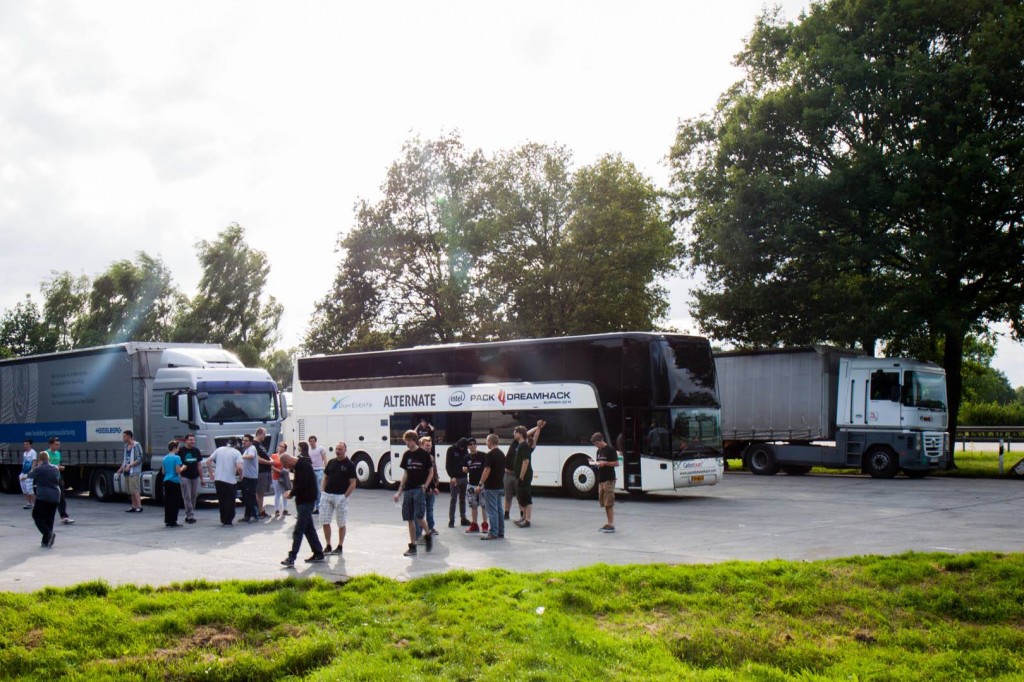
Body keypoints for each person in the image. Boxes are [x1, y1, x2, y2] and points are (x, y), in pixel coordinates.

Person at [280, 451, 325, 566]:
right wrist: (292, 492)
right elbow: (299, 484)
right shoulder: (299, 466)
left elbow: (302, 485)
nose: (287, 468)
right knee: (309, 529)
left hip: (306, 502)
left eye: (285, 465)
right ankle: (318, 553)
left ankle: (291, 557)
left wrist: (291, 493)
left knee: (298, 530)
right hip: (304, 501)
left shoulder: (302, 466)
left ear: (288, 460)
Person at [393, 430, 433, 556]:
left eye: (408, 441)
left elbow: (431, 472)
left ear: (414, 440)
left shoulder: (424, 455)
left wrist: (425, 486)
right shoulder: (406, 455)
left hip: (419, 489)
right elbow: (405, 474)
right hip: (408, 490)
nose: (407, 444)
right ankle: (412, 546)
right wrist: (399, 492)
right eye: (405, 441)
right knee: (409, 518)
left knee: (419, 517)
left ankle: (427, 534)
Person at [320, 441, 357, 555]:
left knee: (341, 523)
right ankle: (328, 545)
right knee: (325, 521)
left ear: (345, 450)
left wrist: (345, 496)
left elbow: (353, 483)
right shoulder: (331, 462)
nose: (338, 451)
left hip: (340, 496)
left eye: (340, 449)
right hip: (328, 495)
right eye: (336, 449)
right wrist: (323, 491)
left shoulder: (350, 465)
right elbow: (325, 477)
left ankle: (340, 545)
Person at [23, 451, 60, 548]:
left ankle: (48, 534)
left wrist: (23, 477)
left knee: (37, 516)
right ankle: (45, 541)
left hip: (44, 496)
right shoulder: (55, 468)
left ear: (40, 460)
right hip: (55, 496)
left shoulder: (39, 469)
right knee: (49, 518)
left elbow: (29, 475)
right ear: (48, 459)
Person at [513, 420, 545, 528]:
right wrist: (538, 427)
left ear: (520, 434)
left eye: (515, 432)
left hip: (524, 476)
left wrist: (521, 476)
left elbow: (525, 462)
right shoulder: (521, 445)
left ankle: (527, 520)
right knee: (522, 497)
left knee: (526, 498)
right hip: (520, 476)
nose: (513, 433)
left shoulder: (525, 446)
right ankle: (523, 518)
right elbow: (533, 436)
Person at [205, 438, 243, 526]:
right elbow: (240, 467)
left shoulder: (219, 449)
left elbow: (208, 461)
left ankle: (223, 518)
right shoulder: (236, 453)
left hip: (218, 479)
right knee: (230, 500)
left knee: (222, 500)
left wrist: (211, 473)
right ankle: (228, 520)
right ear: (237, 445)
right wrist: (241, 475)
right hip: (230, 480)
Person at [477, 434, 506, 540]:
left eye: (486, 441)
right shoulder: (502, 454)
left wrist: (480, 483)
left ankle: (493, 532)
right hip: (499, 486)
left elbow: (487, 470)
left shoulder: (489, 455)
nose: (486, 443)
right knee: (499, 509)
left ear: (490, 442)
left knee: (492, 510)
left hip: (491, 487)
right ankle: (500, 531)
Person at [591, 432, 619, 533]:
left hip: (609, 479)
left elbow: (616, 463)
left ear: (601, 441)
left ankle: (611, 524)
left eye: (597, 444)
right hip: (601, 479)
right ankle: (608, 523)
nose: (596, 446)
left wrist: (605, 463)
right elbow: (599, 462)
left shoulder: (610, 450)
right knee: (604, 502)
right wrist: (596, 464)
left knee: (609, 502)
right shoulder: (598, 451)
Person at [44, 437, 73, 524]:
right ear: (51, 444)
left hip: (58, 477)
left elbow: (58, 464)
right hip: (49, 479)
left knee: (61, 497)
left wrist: (59, 468)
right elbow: (44, 466)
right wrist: (57, 467)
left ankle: (64, 516)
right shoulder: (46, 454)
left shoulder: (58, 454)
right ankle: (45, 516)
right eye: (56, 444)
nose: (58, 446)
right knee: (48, 498)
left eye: (59, 444)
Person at [177, 433, 204, 524]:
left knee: (193, 496)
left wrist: (202, 478)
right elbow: (177, 464)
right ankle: (190, 515)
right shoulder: (181, 451)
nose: (192, 441)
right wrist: (180, 475)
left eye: (193, 440)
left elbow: (199, 465)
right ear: (186, 440)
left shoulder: (196, 451)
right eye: (190, 440)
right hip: (185, 476)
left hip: (195, 476)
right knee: (187, 496)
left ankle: (189, 513)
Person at [417, 436, 440, 539]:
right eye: (427, 445)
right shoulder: (418, 458)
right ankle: (420, 531)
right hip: (422, 488)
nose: (429, 447)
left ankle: (431, 527)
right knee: (421, 511)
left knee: (430, 509)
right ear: (421, 445)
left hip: (430, 488)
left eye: (430, 446)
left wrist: (435, 485)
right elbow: (422, 475)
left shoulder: (431, 457)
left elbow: (434, 472)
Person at [464, 438, 487, 533]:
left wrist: (481, 484)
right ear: (468, 447)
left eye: (474, 444)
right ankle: (474, 524)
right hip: (471, 484)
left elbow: (486, 470)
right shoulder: (466, 457)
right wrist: (465, 470)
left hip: (482, 484)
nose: (472, 445)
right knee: (473, 505)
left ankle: (485, 525)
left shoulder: (483, 455)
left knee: (484, 505)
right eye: (470, 444)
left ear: (476, 445)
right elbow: (466, 468)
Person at [446, 437, 471, 528]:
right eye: (461, 447)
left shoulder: (465, 451)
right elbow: (448, 465)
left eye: (463, 448)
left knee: (462, 499)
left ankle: (463, 518)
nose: (462, 449)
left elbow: (467, 463)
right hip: (455, 478)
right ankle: (451, 520)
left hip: (464, 477)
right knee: (453, 499)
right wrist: (452, 476)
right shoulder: (451, 449)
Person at [119, 430, 144, 513]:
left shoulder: (136, 445)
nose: (123, 438)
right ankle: (133, 506)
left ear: (129, 436)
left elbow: (140, 458)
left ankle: (139, 506)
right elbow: (125, 459)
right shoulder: (126, 446)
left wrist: (130, 466)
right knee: (130, 490)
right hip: (127, 471)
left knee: (135, 489)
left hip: (134, 471)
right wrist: (121, 469)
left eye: (124, 436)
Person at [162, 440, 185, 527]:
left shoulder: (165, 458)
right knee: (175, 501)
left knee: (168, 501)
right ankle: (173, 520)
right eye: (178, 447)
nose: (179, 449)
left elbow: (163, 471)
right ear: (174, 448)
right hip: (174, 481)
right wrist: (183, 467)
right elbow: (177, 471)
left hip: (166, 480)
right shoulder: (177, 458)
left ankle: (167, 520)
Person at [239, 434, 261, 523]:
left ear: (251, 442)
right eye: (243, 440)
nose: (244, 442)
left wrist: (240, 456)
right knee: (246, 497)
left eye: (246, 440)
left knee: (251, 497)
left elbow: (251, 456)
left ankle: (256, 516)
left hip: (251, 478)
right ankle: (247, 516)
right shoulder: (246, 449)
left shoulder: (252, 448)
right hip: (246, 477)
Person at [254, 427, 273, 519]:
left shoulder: (260, 444)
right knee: (259, 492)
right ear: (260, 434)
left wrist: (271, 460)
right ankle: (259, 511)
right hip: (260, 471)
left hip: (266, 471)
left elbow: (265, 456)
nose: (264, 437)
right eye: (264, 434)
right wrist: (269, 462)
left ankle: (261, 510)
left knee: (261, 493)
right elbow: (257, 459)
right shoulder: (255, 444)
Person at [307, 435, 327, 514]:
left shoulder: (320, 449)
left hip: (319, 470)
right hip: (312, 471)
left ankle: (320, 507)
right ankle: (316, 507)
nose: (312, 443)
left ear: (316, 441)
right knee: (313, 490)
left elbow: (324, 458)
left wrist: (326, 469)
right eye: (310, 441)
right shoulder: (308, 451)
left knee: (319, 490)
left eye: (313, 441)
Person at [271, 443, 291, 518]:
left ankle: (285, 509)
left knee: (285, 493)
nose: (280, 447)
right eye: (279, 446)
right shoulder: (273, 456)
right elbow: (271, 466)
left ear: (285, 448)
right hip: (276, 476)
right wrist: (279, 471)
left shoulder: (286, 456)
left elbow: (289, 466)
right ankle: (277, 510)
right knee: (277, 493)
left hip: (284, 477)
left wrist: (285, 471)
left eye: (282, 446)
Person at [503, 434, 519, 522]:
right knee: (507, 496)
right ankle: (506, 514)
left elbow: (527, 433)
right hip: (508, 473)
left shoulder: (523, 445)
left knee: (519, 497)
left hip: (516, 475)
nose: (514, 434)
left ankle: (522, 515)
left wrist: (538, 428)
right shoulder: (514, 443)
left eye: (516, 432)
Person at [20, 439, 37, 510]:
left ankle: (36, 505)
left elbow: (34, 462)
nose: (25, 446)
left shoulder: (33, 452)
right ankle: (29, 503)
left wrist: (31, 471)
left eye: (27, 444)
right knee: (25, 489)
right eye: (24, 444)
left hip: (29, 473)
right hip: (23, 472)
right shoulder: (25, 453)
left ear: (30, 445)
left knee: (30, 489)